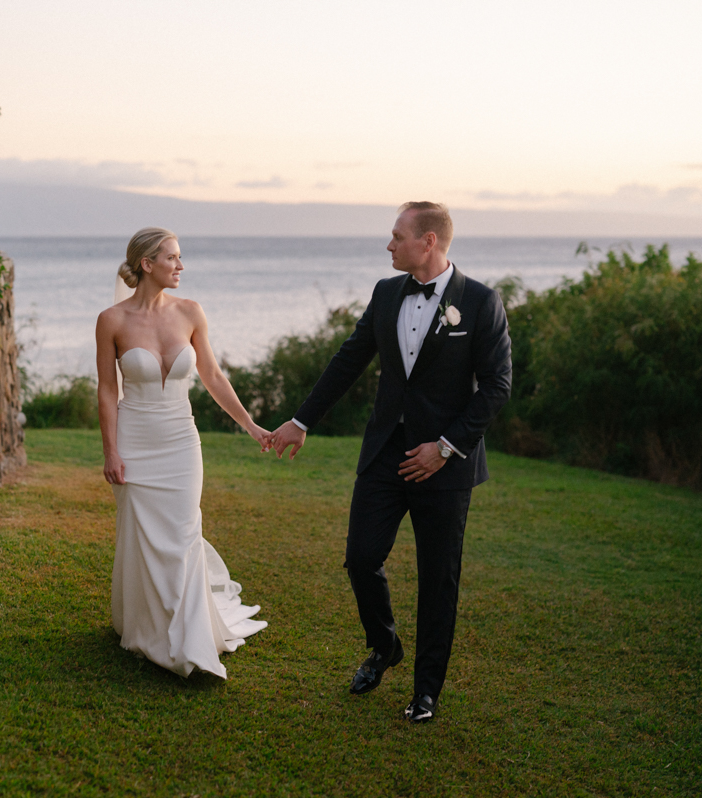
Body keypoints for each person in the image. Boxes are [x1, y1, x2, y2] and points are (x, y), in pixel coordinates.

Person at [268, 202, 512, 722]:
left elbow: (497, 386)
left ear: (428, 241)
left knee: (437, 578)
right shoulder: (384, 294)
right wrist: (301, 421)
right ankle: (385, 646)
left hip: (445, 465)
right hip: (385, 454)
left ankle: (426, 693)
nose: (389, 244)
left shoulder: (482, 302)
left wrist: (445, 446)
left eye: (397, 236)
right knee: (361, 558)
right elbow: (348, 361)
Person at [96, 227, 271, 678]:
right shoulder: (111, 320)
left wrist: (250, 425)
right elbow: (106, 389)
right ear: (147, 264)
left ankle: (190, 634)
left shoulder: (191, 312)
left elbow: (213, 376)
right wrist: (111, 451)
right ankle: (147, 626)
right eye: (172, 257)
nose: (180, 265)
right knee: (141, 533)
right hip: (135, 439)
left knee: (182, 532)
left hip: (180, 440)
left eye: (180, 257)